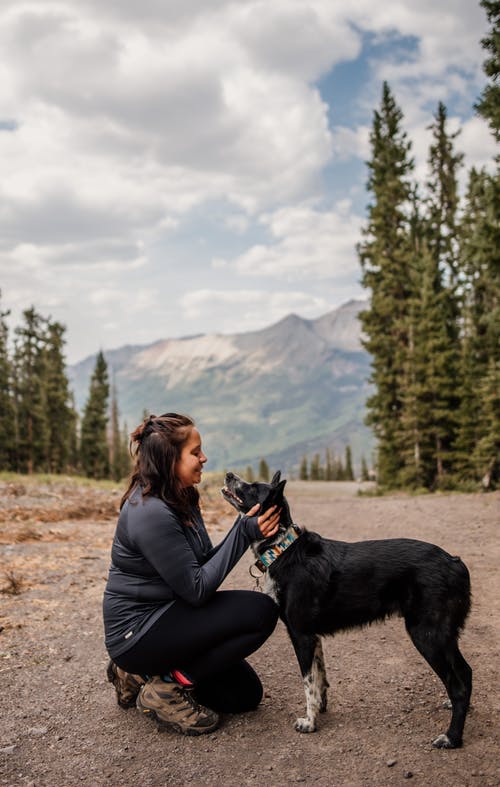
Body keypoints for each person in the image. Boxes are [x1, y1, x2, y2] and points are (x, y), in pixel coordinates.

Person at [103, 412, 280, 736]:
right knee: (261, 611)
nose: (204, 457)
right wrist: (243, 532)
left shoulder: (181, 496)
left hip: (170, 614)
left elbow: (200, 565)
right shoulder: (150, 512)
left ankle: (140, 676)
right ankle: (165, 686)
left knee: (243, 696)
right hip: (139, 632)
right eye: (195, 452)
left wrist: (246, 529)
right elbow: (197, 589)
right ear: (170, 459)